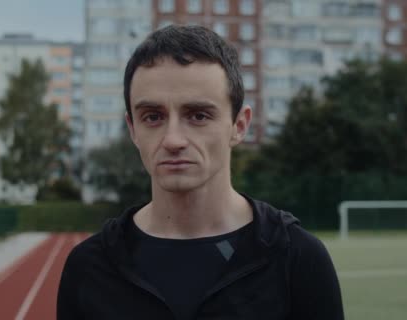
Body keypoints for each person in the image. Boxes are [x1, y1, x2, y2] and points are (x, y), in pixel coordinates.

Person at [57, 25, 344, 320]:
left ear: (239, 126)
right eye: (153, 117)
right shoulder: (89, 267)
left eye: (198, 116)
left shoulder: (297, 258)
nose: (173, 140)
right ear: (133, 129)